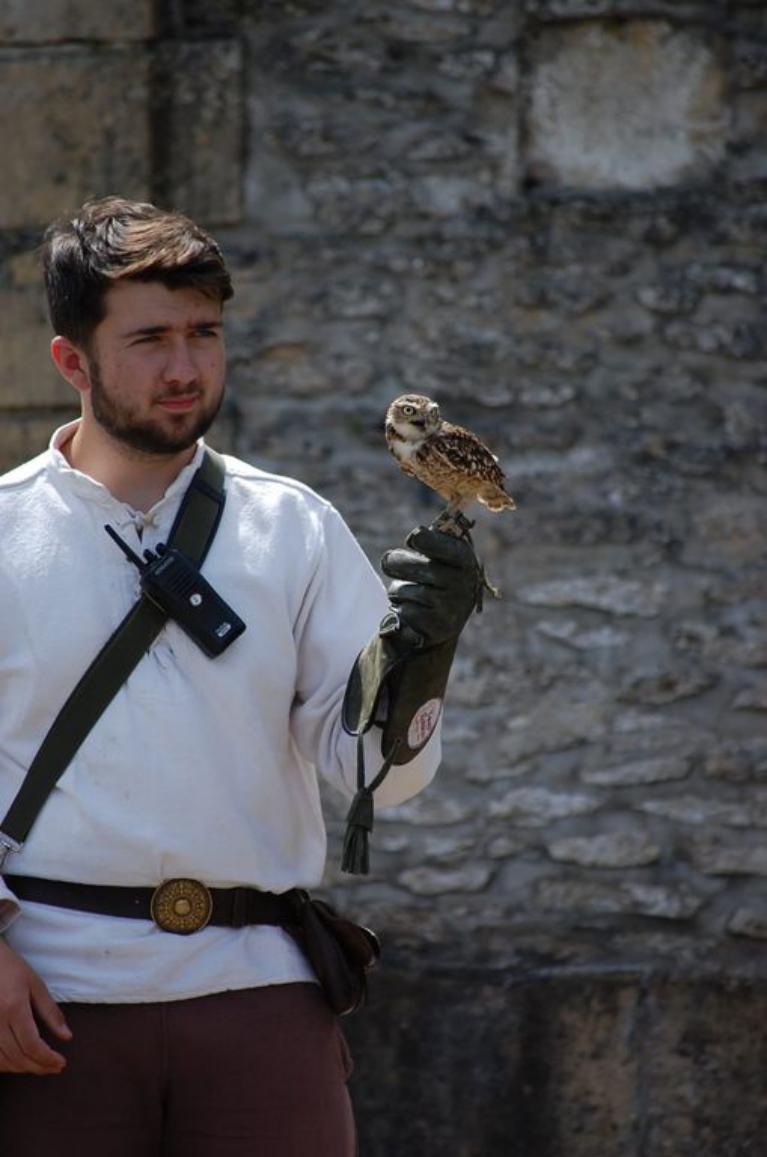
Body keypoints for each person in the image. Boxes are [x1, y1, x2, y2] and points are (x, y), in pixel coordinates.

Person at [0, 197, 481, 1155]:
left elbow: (378, 774)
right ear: (72, 361)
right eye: (150, 339)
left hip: (261, 1001)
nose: (185, 367)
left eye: (204, 332)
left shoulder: (293, 527)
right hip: (50, 1005)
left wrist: (421, 667)